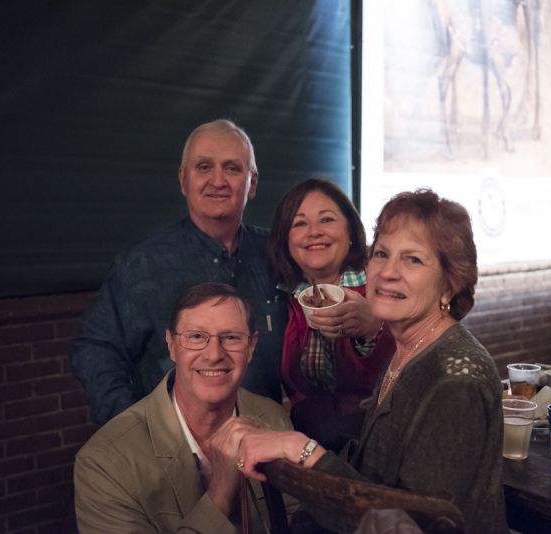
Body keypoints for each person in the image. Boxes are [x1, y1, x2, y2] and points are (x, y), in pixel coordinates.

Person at [235, 189, 507, 533]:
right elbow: (377, 475)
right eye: (381, 254)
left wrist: (301, 449)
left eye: (413, 260)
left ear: (450, 284)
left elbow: (414, 525)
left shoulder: (455, 380)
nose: (387, 272)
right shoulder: (407, 352)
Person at [70, 119, 287, 424]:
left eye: (232, 168)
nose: (218, 180)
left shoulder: (278, 254)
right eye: (203, 167)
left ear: (252, 183)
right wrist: (134, 429)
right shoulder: (142, 265)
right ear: (183, 180)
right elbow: (95, 349)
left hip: (266, 446)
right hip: (175, 457)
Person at [74, 282, 293, 533]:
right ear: (171, 345)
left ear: (251, 347)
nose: (213, 355)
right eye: (196, 337)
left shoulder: (273, 418)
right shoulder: (104, 462)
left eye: (231, 337)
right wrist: (219, 494)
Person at [267, 179, 394, 451]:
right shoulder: (284, 298)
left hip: (380, 443)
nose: (314, 232)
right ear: (286, 239)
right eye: (299, 223)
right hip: (312, 445)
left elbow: (414, 363)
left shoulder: (384, 283)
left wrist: (373, 327)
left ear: (350, 230)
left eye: (327, 219)